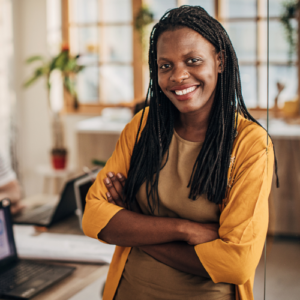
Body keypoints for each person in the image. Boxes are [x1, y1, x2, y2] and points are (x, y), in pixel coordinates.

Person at [82, 6, 276, 300]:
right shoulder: (142, 127)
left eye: (193, 61)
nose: (178, 76)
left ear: (220, 61)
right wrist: (186, 230)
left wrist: (133, 224)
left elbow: (236, 263)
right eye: (165, 65)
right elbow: (95, 218)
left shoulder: (250, 144)